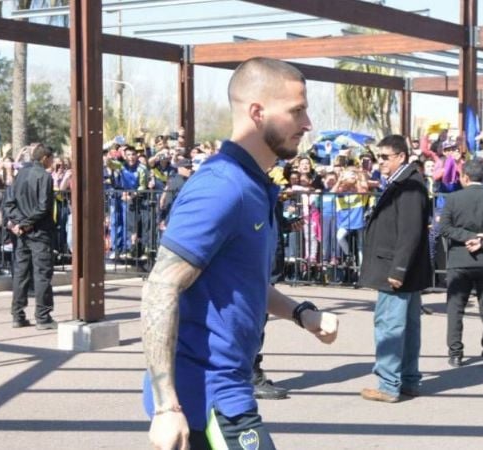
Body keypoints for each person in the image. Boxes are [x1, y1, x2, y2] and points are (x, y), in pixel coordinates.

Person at [140, 57, 338, 450]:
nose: (307, 123)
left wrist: (302, 313)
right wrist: (166, 409)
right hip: (206, 398)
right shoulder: (221, 187)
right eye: (297, 111)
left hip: (229, 390)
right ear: (257, 112)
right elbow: (159, 288)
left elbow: (242, 283)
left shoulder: (253, 185)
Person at [359, 134, 432, 403]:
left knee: (390, 326)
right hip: (403, 268)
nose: (380, 163)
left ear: (401, 157)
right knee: (408, 326)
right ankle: (409, 380)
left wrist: (398, 269)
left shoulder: (409, 184)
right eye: (378, 157)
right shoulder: (405, 181)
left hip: (396, 268)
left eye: (385, 157)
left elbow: (410, 232)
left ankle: (389, 384)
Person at [439, 159, 483, 369]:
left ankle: (455, 353)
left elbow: (444, 227)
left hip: (459, 260)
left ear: (465, 177)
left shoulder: (453, 198)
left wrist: (467, 237)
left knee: (455, 308)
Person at [6, 144, 57, 330]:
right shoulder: (44, 176)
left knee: (21, 274)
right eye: (51, 159)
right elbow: (44, 207)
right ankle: (43, 317)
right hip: (39, 232)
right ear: (45, 158)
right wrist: (26, 224)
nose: (53, 162)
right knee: (42, 274)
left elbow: (9, 203)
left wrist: (19, 223)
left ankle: (17, 315)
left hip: (23, 233)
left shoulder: (20, 175)